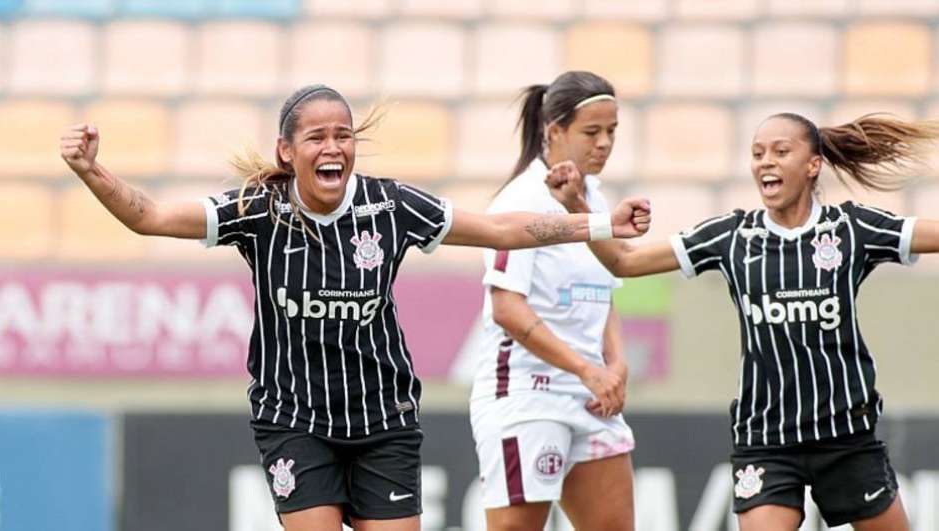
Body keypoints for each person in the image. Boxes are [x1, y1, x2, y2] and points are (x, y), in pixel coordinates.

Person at [59, 84, 650, 531]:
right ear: (287, 151)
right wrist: (91, 171)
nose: (333, 146)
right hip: (294, 420)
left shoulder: (388, 205)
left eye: (343, 135)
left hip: (383, 421)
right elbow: (151, 217)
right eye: (316, 137)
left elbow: (498, 228)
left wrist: (596, 223)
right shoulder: (257, 211)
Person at [546, 112, 939, 531]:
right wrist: (576, 206)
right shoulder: (733, 236)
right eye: (757, 154)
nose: (765, 162)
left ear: (812, 165)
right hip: (767, 441)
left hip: (846, 438)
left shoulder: (851, 228)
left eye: (780, 151)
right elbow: (624, 261)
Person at [469, 71, 637, 531]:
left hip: (591, 398)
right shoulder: (521, 199)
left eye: (612, 131)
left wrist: (616, 364)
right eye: (591, 132)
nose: (604, 143)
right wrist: (586, 369)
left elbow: (604, 292)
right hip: (528, 395)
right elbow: (507, 307)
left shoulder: (596, 202)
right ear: (554, 131)